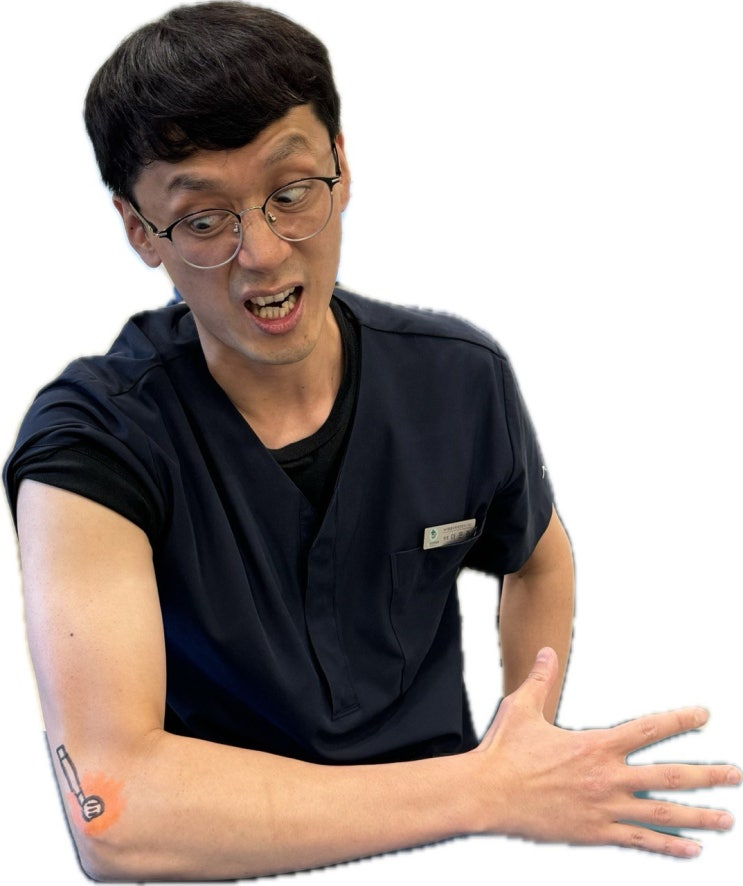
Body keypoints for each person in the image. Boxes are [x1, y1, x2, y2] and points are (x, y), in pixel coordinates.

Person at [3, 2, 739, 881]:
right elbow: (116, 818)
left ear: (341, 167)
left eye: (291, 193)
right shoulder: (91, 445)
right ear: (138, 229)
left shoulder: (457, 380)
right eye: (203, 220)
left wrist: (526, 738)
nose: (262, 253)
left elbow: (538, 559)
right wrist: (487, 789)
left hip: (447, 857)